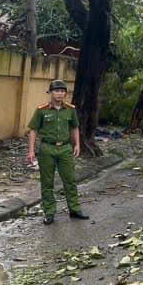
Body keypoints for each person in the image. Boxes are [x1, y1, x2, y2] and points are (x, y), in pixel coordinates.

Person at [26, 80, 88, 226]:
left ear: (65, 93)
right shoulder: (41, 110)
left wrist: (77, 144)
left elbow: (75, 128)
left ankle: (74, 209)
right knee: (47, 182)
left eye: (62, 91)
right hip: (47, 149)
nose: (60, 93)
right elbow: (33, 130)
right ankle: (49, 212)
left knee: (70, 180)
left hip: (65, 148)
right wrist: (31, 151)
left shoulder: (70, 109)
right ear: (50, 93)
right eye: (56, 91)